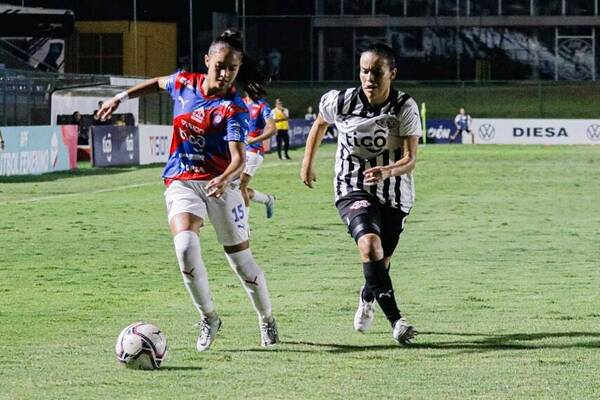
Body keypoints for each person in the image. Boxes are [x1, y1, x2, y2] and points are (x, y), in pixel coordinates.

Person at [98, 29, 279, 350]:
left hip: (220, 185)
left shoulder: (233, 107)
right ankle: (209, 317)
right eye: (220, 65)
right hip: (181, 179)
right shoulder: (183, 83)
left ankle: (266, 319)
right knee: (184, 247)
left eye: (232, 69)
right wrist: (120, 98)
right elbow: (156, 83)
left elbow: (238, 158)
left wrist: (225, 178)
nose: (225, 74)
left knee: (242, 263)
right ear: (207, 61)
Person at [300, 42, 420, 345]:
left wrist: (387, 171)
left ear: (392, 73)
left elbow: (410, 158)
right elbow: (319, 123)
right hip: (351, 187)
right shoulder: (340, 101)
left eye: (377, 72)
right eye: (365, 71)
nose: (369, 78)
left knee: (381, 261)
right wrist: (307, 163)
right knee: (369, 245)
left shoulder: (404, 107)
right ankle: (398, 322)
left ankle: (367, 297)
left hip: (394, 195)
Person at [241, 93, 277, 218]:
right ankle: (267, 199)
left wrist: (255, 140)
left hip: (253, 151)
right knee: (234, 189)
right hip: (238, 150)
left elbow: (273, 129)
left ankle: (243, 225)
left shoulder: (262, 106)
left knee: (240, 186)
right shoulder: (239, 102)